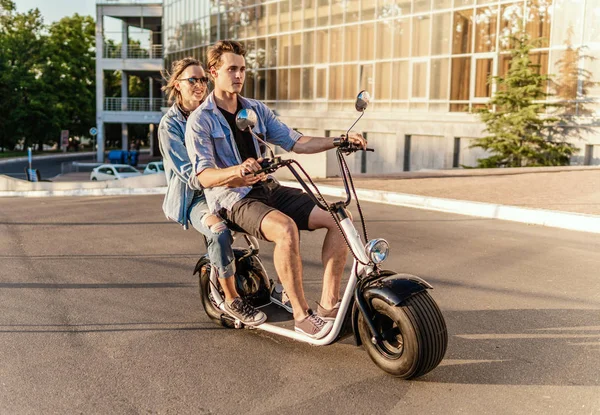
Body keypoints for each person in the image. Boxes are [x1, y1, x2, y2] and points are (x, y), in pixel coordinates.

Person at [185, 41, 367, 339]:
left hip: (267, 188)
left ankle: (328, 305)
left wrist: (339, 139)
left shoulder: (255, 109)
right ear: (214, 72)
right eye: (232, 69)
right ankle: (301, 315)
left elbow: (296, 141)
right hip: (233, 198)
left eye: (242, 69)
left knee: (338, 218)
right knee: (285, 229)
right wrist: (237, 171)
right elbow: (204, 176)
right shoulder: (200, 120)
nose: (239, 75)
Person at [158, 57, 266, 326]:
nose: (199, 85)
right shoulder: (170, 125)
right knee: (219, 231)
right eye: (192, 80)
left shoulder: (213, 113)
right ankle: (232, 299)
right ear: (177, 86)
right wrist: (229, 178)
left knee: (274, 217)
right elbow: (192, 176)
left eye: (203, 79)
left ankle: (263, 284)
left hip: (226, 186)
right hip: (195, 197)